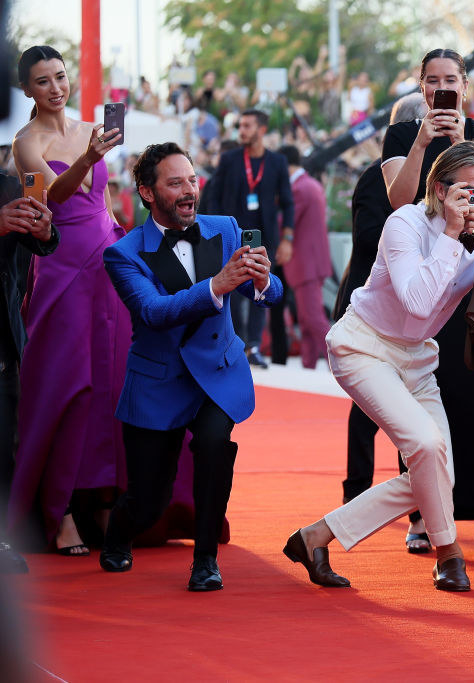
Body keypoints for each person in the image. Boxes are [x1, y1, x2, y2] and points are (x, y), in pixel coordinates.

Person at [286, 142, 474, 591]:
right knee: (427, 446)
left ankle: (317, 536)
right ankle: (449, 555)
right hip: (364, 348)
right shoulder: (404, 222)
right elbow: (418, 301)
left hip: (418, 357)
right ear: (441, 189)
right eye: (470, 191)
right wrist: (451, 235)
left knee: (436, 466)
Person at [100, 142, 282, 591]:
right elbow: (154, 313)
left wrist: (261, 280)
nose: (189, 191)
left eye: (192, 180)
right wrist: (216, 285)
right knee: (149, 502)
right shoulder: (123, 253)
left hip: (217, 372)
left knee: (215, 445)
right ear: (147, 192)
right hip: (158, 380)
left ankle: (205, 561)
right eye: (175, 183)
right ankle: (119, 533)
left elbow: (274, 292)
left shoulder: (224, 228)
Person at [380, 48, 474, 555]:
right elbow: (400, 200)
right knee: (423, 405)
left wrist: (460, 142)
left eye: (451, 80)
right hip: (423, 283)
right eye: (432, 80)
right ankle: (423, 516)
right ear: (421, 86)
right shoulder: (401, 136)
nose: (442, 88)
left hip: (473, 283)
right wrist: (424, 140)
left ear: (465, 85)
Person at [7, 45, 131, 556]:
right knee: (66, 388)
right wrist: (88, 158)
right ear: (27, 90)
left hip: (108, 263)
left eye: (61, 77)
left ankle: (107, 501)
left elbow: (100, 200)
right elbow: (50, 198)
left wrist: (124, 244)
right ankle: (57, 515)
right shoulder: (25, 143)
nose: (56, 88)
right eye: (42, 81)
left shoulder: (90, 129)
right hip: (60, 267)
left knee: (113, 382)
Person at [335, 93, 426, 506]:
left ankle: (414, 500)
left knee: (410, 403)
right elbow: (370, 239)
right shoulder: (378, 177)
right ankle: (357, 491)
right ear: (407, 130)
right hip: (371, 306)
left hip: (411, 308)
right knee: (370, 407)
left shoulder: (436, 173)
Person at [0, 172, 57, 575]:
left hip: (3, 341)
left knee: (4, 449)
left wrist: (45, 231)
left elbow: (41, 245)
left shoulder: (6, 183)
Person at [207, 108, 294, 368]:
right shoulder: (230, 159)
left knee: (261, 289)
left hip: (265, 239)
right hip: (231, 237)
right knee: (230, 289)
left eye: (247, 126)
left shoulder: (277, 162)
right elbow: (214, 197)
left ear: (262, 130)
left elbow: (288, 203)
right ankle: (236, 345)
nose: (241, 131)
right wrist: (214, 232)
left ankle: (253, 346)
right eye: (240, 126)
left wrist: (287, 238)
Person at [280, 145, 331, 370]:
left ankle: (341, 364)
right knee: (307, 318)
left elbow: (284, 223)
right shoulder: (311, 185)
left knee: (313, 318)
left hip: (305, 263)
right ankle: (308, 365)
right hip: (312, 261)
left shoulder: (298, 189)